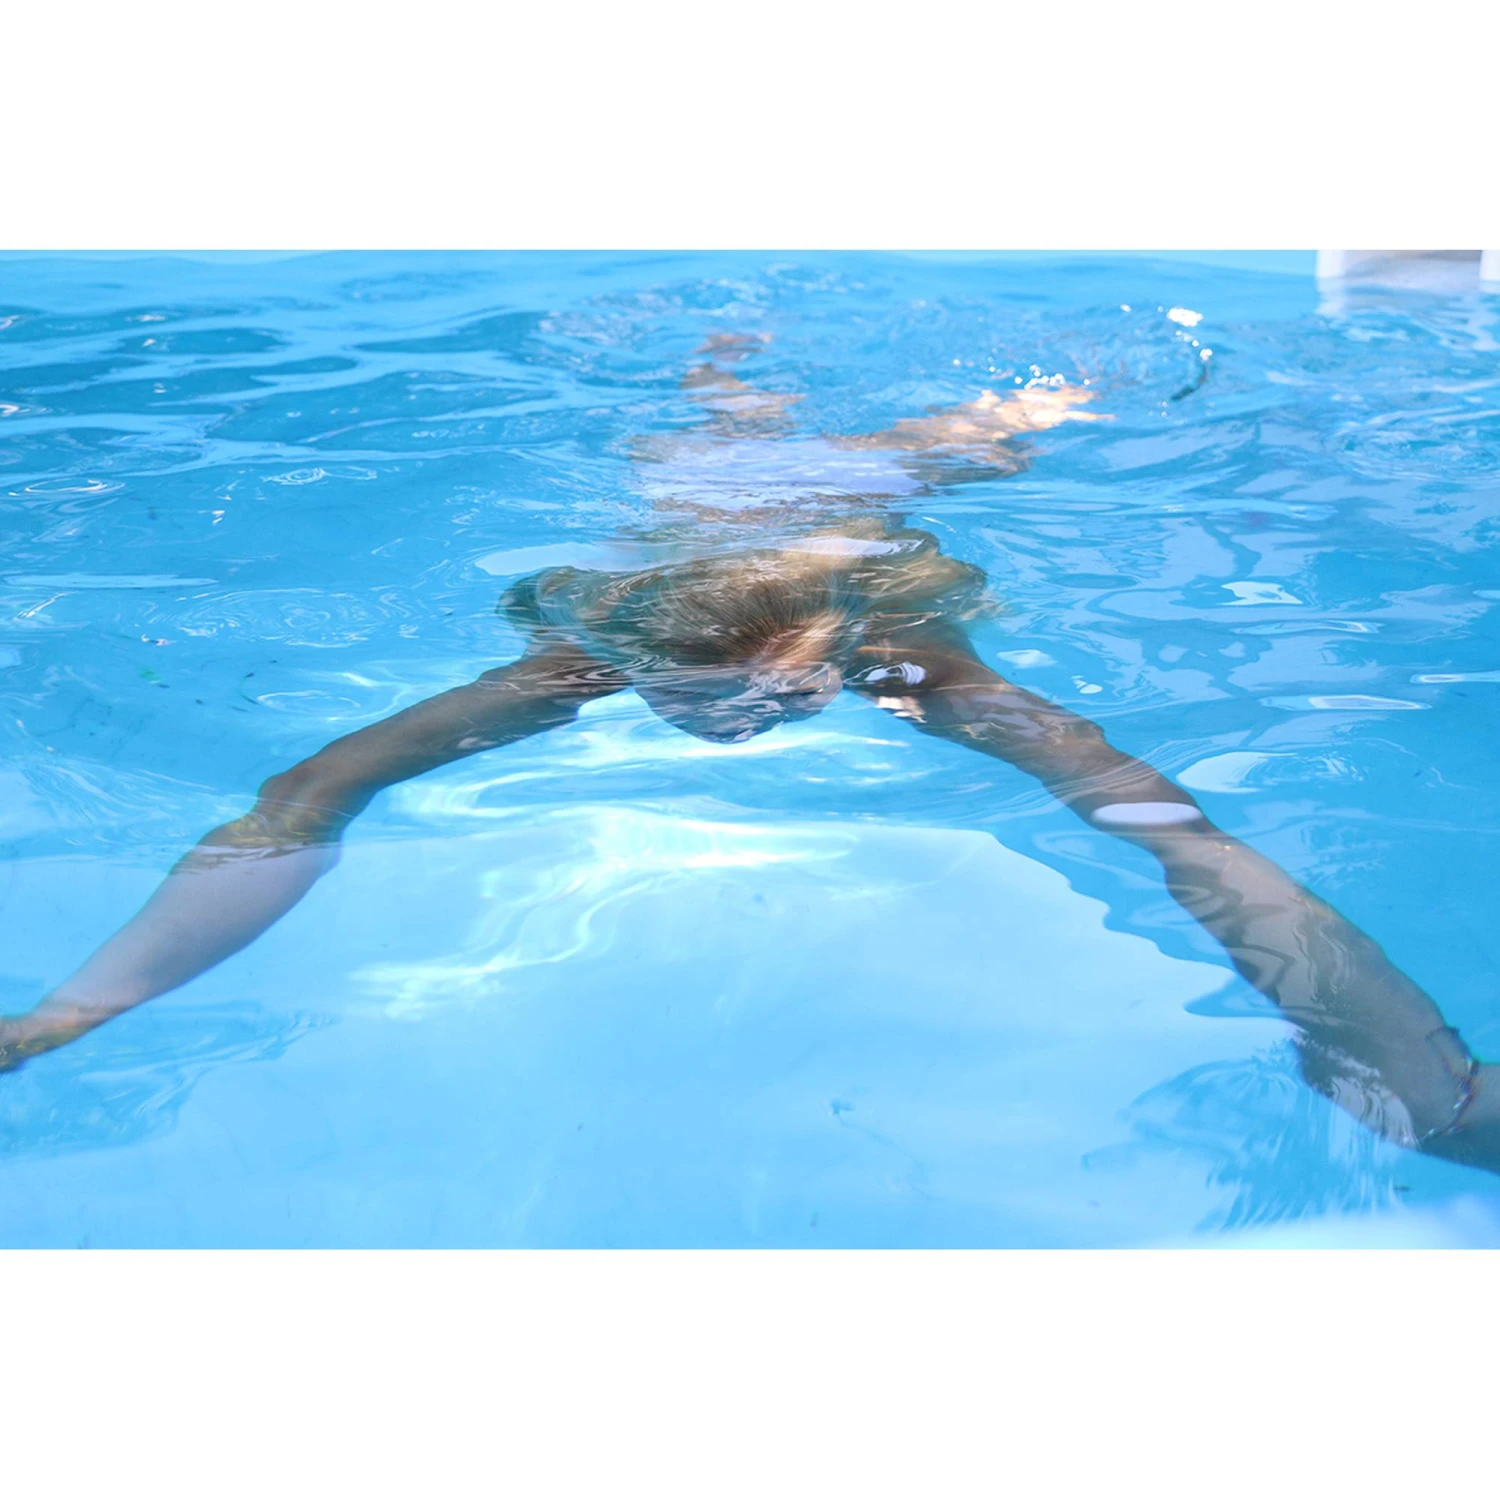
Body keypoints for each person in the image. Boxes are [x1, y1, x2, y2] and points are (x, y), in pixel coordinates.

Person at [3, 338, 1495, 1177]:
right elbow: (310, 793)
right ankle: (728, 376)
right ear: (629, 660)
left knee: (965, 440)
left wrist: (1408, 1071)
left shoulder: (916, 661)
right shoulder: (581, 655)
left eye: (769, 707)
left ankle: (960, 388)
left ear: (829, 657)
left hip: (851, 512)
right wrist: (77, 1010)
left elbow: (1180, 838)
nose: (728, 732)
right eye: (691, 707)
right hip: (717, 518)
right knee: (720, 437)